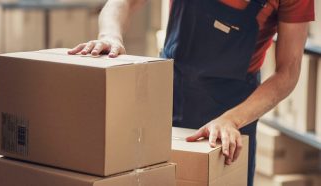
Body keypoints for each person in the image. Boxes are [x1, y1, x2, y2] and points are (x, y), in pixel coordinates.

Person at [68, 0, 314, 185]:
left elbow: (288, 72)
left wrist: (232, 119)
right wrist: (110, 36)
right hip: (170, 93)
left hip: (234, 107)